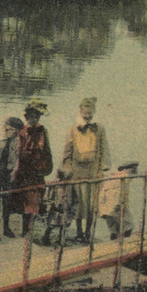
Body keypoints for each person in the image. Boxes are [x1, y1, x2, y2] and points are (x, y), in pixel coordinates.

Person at [60, 96, 109, 242]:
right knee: (79, 203)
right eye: (84, 113)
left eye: (89, 113)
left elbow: (103, 150)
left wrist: (101, 169)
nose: (87, 116)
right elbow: (67, 152)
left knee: (92, 204)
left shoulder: (99, 129)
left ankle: (88, 232)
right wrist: (67, 168)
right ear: (80, 112)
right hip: (78, 171)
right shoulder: (73, 130)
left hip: (93, 172)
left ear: (93, 112)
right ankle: (79, 232)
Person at [10, 100, 53, 237]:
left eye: (37, 116)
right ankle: (24, 230)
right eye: (32, 115)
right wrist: (16, 169)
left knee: (35, 199)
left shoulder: (42, 130)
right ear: (27, 116)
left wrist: (47, 166)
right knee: (23, 199)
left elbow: (47, 149)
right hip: (25, 170)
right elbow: (17, 152)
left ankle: (30, 230)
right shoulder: (22, 132)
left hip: (37, 170)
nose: (34, 118)